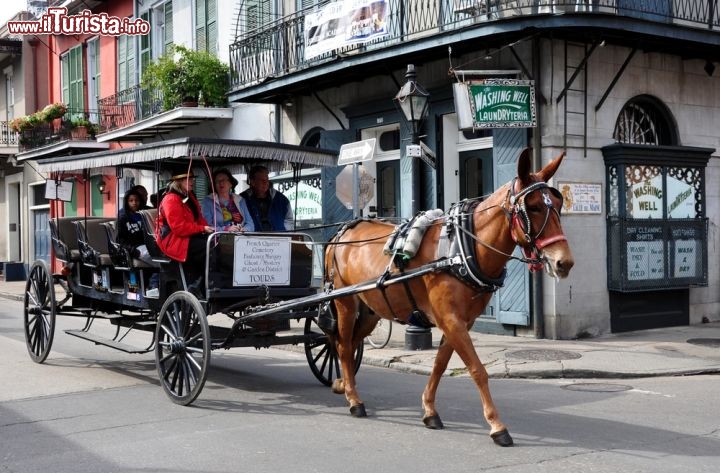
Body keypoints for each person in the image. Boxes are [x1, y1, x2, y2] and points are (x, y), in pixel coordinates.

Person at [156, 171, 214, 293]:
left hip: (188, 236)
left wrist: (210, 230)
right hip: (173, 240)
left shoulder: (190, 197)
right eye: (189, 179)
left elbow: (199, 219)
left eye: (192, 179)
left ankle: (208, 283)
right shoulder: (170, 199)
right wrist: (202, 229)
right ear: (178, 182)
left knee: (216, 244)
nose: (192, 182)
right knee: (208, 249)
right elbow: (178, 227)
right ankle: (198, 284)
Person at [240, 165, 294, 231]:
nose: (266, 183)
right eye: (262, 180)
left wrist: (284, 231)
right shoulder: (242, 200)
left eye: (267, 180)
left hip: (278, 239)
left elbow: (289, 220)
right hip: (252, 240)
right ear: (253, 182)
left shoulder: (281, 200)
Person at [201, 168, 255, 232]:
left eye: (223, 180)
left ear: (231, 183)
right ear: (214, 185)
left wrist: (245, 229)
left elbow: (250, 223)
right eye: (217, 181)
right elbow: (207, 227)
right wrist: (226, 229)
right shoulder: (208, 201)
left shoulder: (240, 200)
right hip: (219, 238)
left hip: (240, 237)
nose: (221, 183)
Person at [117, 188, 153, 265]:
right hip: (135, 248)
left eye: (137, 200)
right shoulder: (122, 218)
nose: (134, 203)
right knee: (151, 255)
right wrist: (132, 250)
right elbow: (120, 240)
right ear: (127, 202)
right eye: (131, 201)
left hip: (148, 245)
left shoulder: (145, 215)